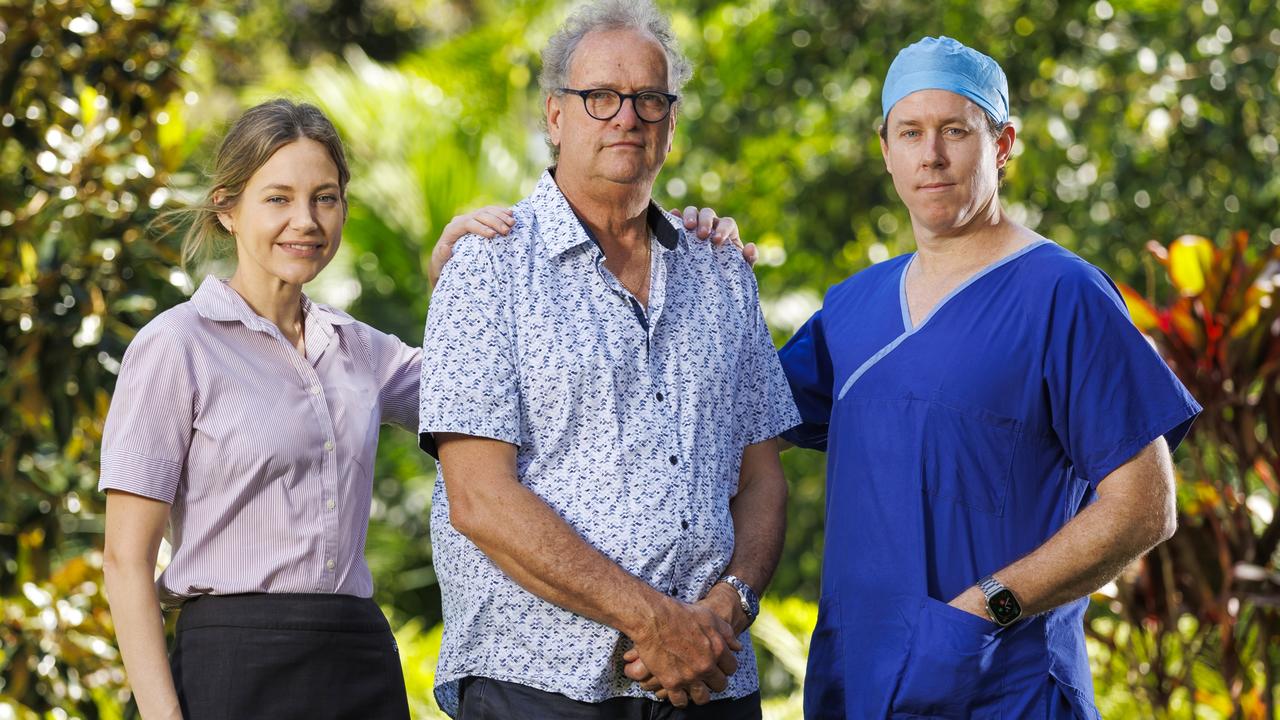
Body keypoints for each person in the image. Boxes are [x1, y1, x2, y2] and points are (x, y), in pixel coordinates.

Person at [776, 37, 1202, 719]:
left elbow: (1143, 505)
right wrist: (708, 269)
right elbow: (738, 421)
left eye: (955, 130)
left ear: (1002, 144)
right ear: (885, 149)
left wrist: (987, 607)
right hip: (855, 683)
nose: (931, 155)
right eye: (910, 133)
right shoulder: (851, 308)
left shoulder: (1064, 295)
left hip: (1005, 689)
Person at [416, 0, 800, 717]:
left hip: (712, 680)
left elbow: (762, 475)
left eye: (649, 99)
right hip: (538, 683)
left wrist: (730, 605)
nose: (627, 116)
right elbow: (478, 498)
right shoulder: (489, 269)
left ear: (672, 122)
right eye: (600, 97)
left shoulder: (721, 271)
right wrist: (655, 621)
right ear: (556, 116)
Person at [100, 99, 419, 719]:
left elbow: (490, 386)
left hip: (359, 665)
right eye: (278, 198)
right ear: (228, 208)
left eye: (325, 198)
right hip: (233, 667)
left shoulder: (363, 349)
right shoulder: (176, 346)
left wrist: (466, 265)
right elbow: (124, 561)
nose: (305, 220)